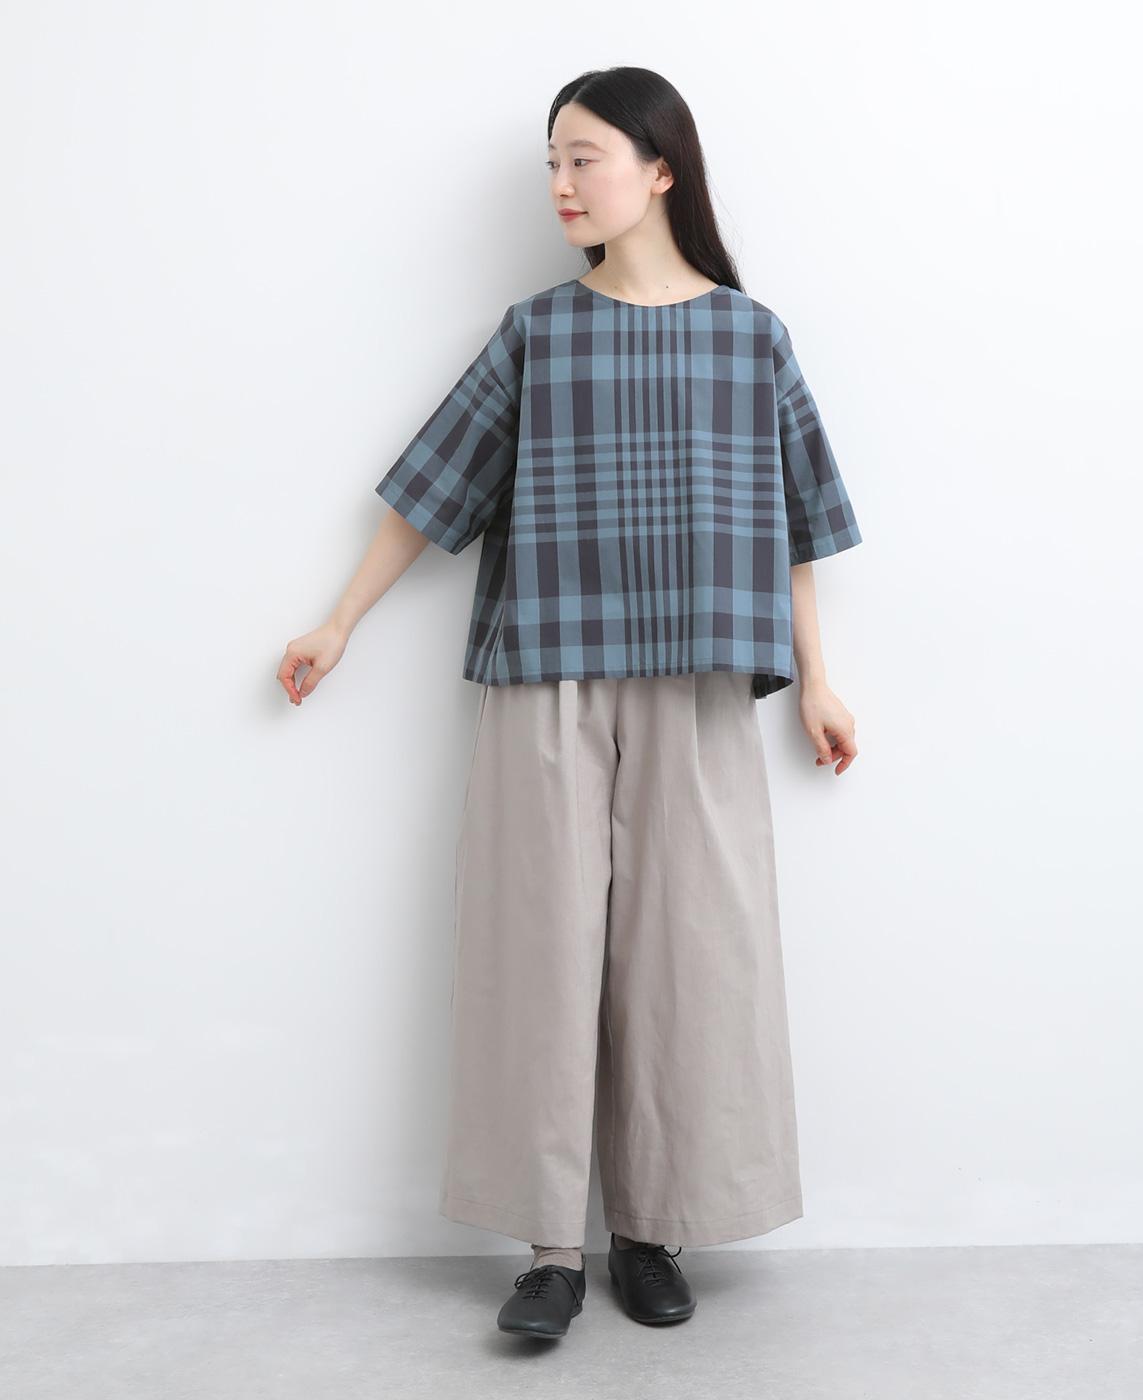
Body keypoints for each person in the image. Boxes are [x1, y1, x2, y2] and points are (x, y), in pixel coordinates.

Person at [277, 66, 862, 1341]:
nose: (559, 183)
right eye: (552, 160)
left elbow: (797, 527)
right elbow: (430, 493)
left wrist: (817, 678)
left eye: (582, 157)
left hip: (702, 683)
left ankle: (653, 1228)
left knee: (691, 960)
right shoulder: (536, 332)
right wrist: (339, 619)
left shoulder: (752, 337)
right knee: (532, 953)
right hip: (547, 674)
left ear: (661, 169)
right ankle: (550, 1249)